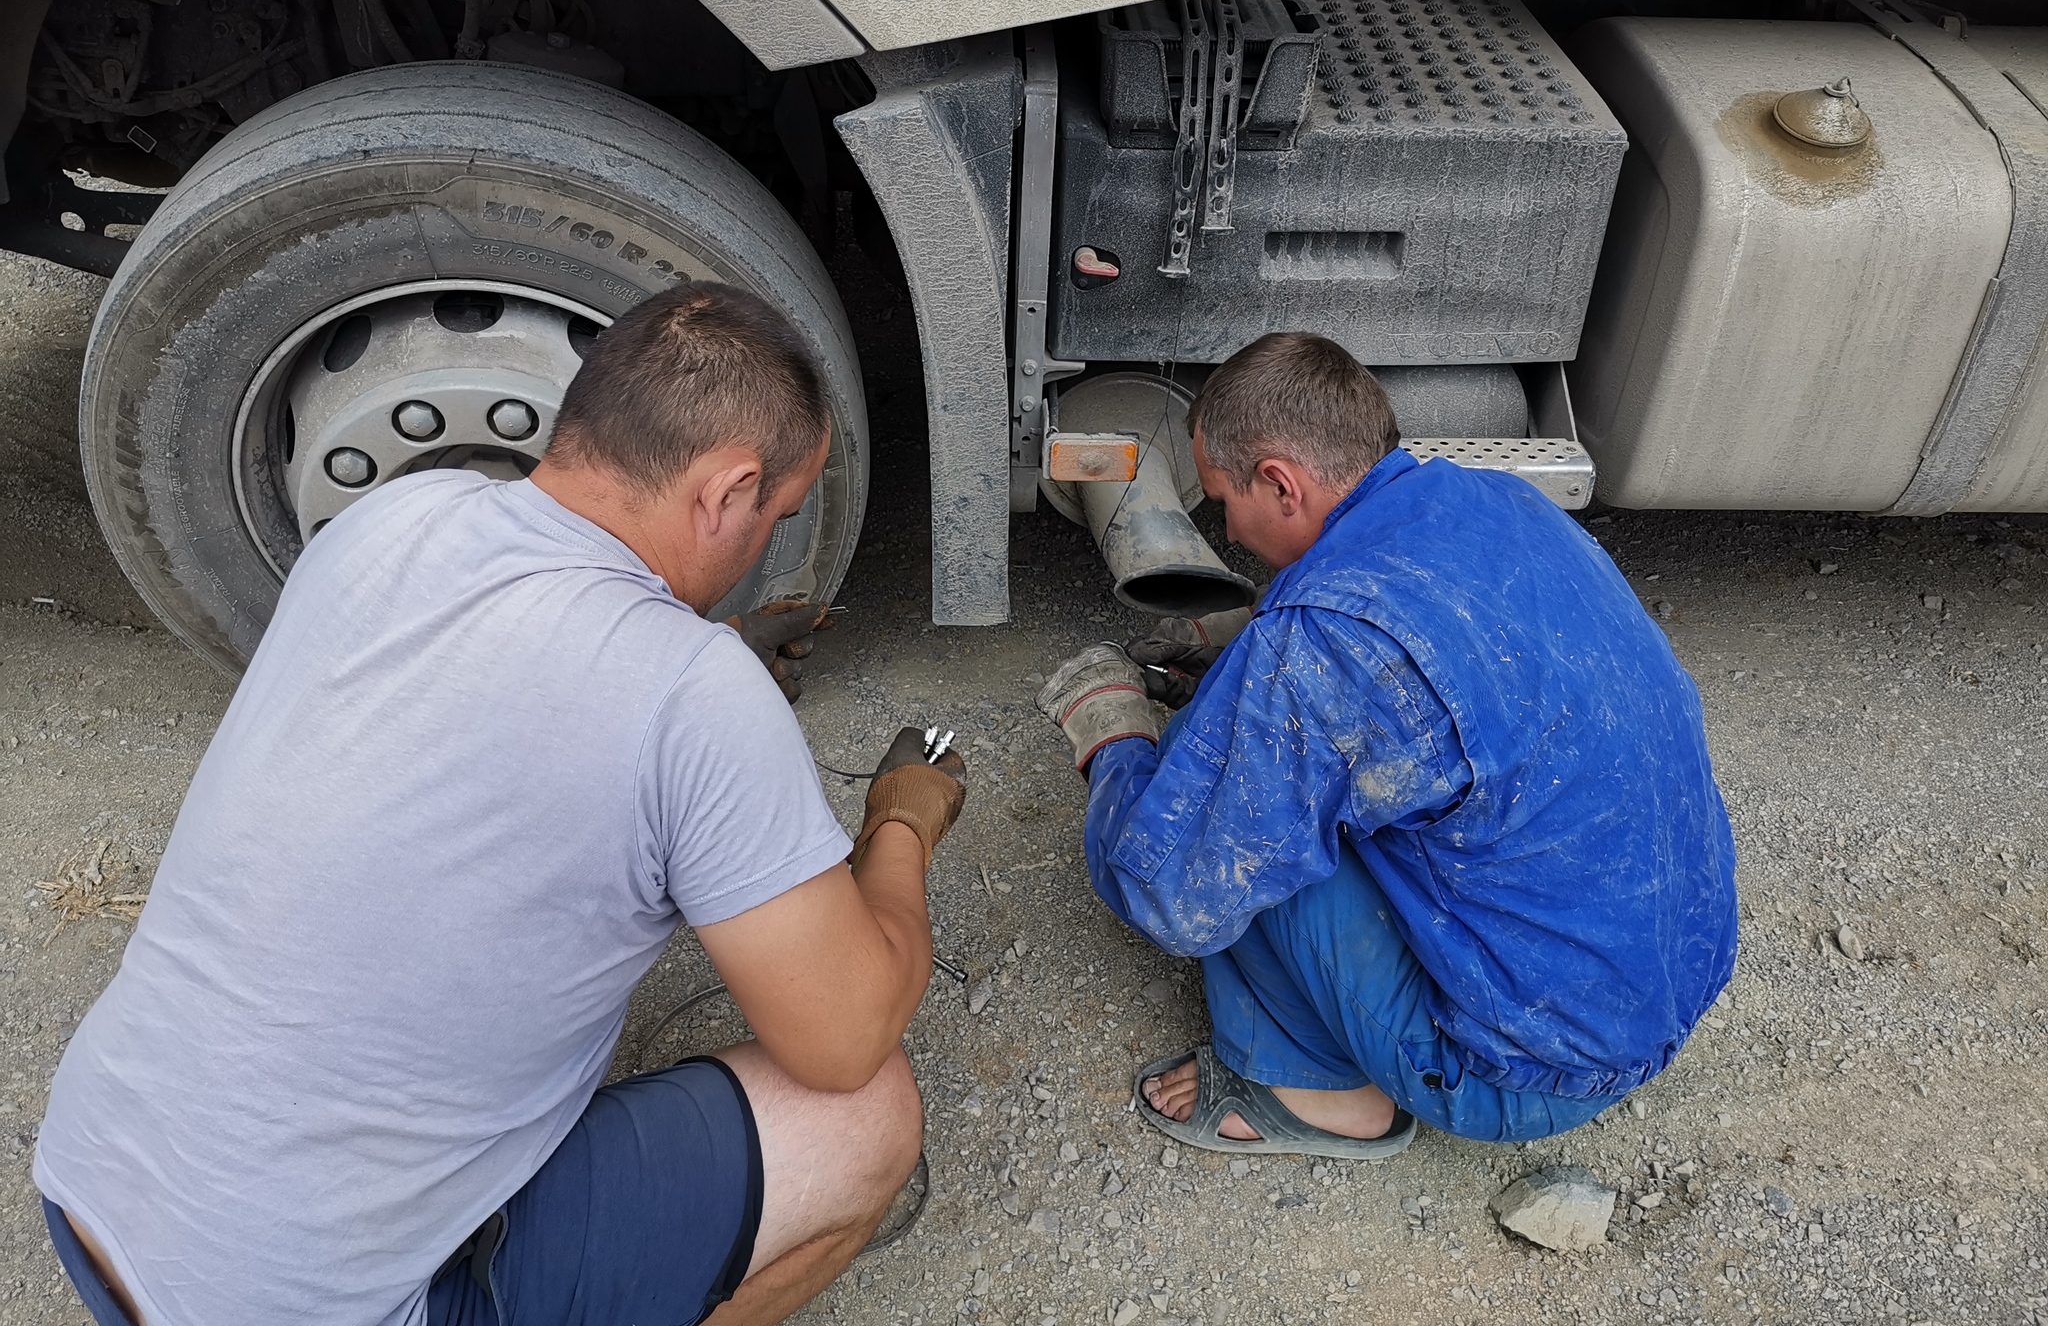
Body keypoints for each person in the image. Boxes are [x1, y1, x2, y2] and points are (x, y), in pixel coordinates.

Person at [36, 282, 967, 1326]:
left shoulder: (391, 519)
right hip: (304, 1308)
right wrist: (900, 822)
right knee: (867, 1119)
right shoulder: (694, 694)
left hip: (93, 1193)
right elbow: (840, 1038)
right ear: (727, 489)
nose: (764, 549)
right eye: (777, 515)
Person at [1036, 332, 1736, 1158]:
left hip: (1520, 1075)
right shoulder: (1499, 503)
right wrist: (1259, 651)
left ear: (1280, 483)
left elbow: (1175, 896)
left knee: (1223, 785)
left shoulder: (1327, 648)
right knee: (1267, 734)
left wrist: (1112, 736)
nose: (1222, 526)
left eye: (1224, 500)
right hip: (1664, 989)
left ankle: (1322, 1097)